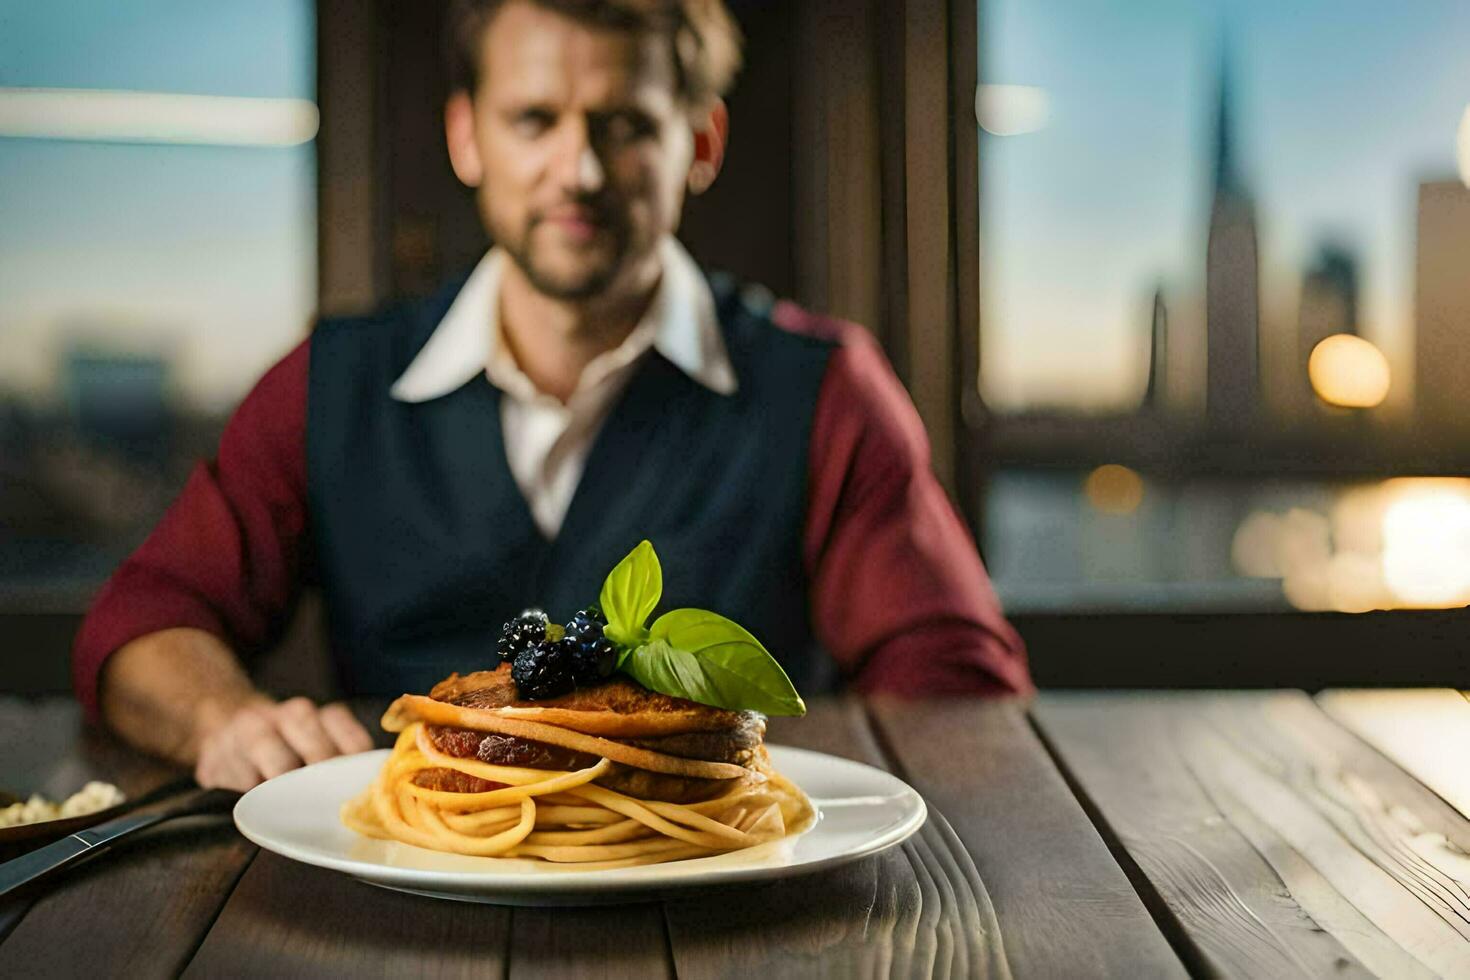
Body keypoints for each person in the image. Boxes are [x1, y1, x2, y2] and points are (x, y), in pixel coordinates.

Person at [72, 0, 1031, 792]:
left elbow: (957, 692)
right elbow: (146, 623)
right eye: (535, 120)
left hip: (725, 914)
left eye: (625, 126)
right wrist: (224, 719)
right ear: (467, 136)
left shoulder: (822, 388)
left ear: (700, 141)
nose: (577, 171)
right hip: (401, 907)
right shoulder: (331, 384)